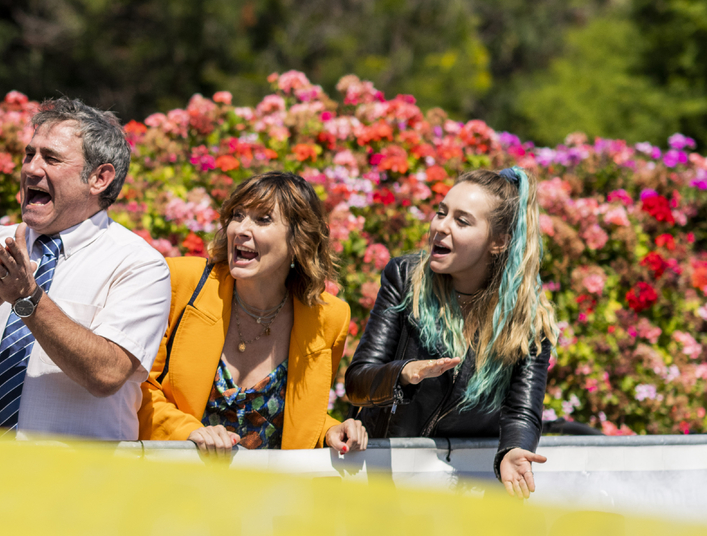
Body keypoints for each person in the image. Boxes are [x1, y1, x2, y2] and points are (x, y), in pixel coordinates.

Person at [0, 98, 171, 439]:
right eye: (29, 154)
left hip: (70, 486)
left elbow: (107, 374)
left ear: (99, 177)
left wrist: (29, 300)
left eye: (51, 158)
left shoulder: (138, 264)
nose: (31, 168)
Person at [344, 167, 558, 499]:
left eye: (462, 221)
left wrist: (514, 450)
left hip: (462, 490)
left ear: (498, 242)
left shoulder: (528, 319)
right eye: (442, 212)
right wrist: (403, 373)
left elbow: (521, 411)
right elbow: (357, 383)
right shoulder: (404, 278)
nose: (440, 227)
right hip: (386, 480)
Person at [139, 172, 367, 456]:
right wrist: (188, 432)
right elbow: (137, 388)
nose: (241, 229)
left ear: (299, 239)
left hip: (265, 497)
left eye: (262, 219)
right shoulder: (181, 283)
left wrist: (330, 431)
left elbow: (301, 416)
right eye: (237, 215)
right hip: (171, 485)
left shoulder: (329, 319)